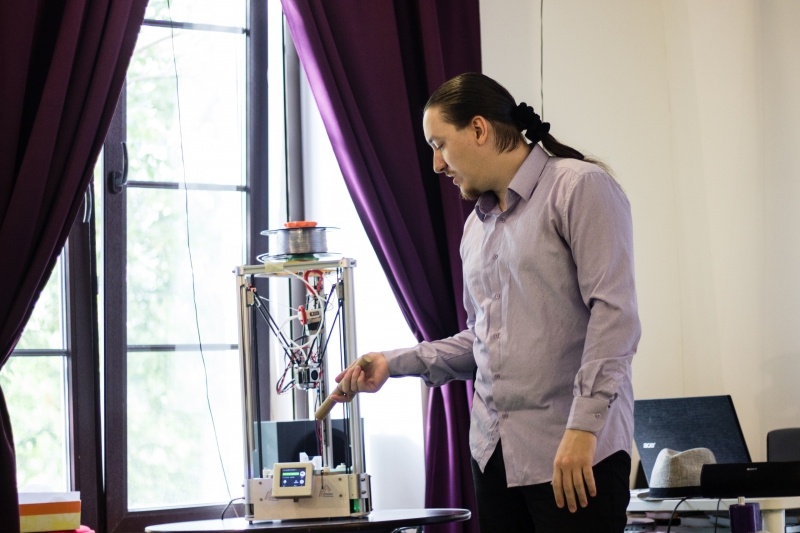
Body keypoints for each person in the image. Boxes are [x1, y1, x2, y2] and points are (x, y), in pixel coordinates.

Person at [332, 73, 641, 533]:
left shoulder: (580, 187)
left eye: (439, 144)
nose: (436, 164)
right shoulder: (474, 228)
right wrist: (392, 363)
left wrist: (584, 428)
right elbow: (481, 342)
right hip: (493, 460)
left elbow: (615, 317)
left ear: (479, 129)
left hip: (575, 456)